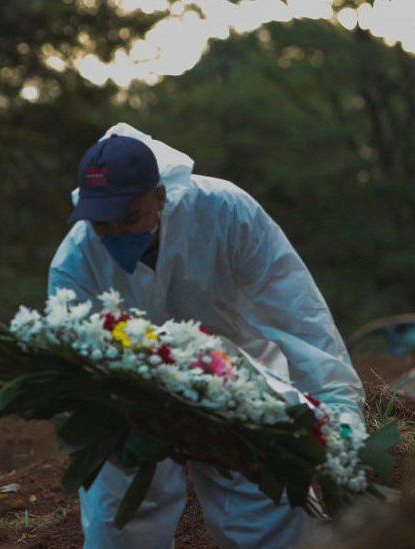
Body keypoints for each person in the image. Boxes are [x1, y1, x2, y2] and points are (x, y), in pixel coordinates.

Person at [47, 123, 365, 548]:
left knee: (270, 505)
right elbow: (73, 369)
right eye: (103, 224)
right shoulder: (76, 259)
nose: (117, 233)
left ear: (160, 196)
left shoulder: (226, 211)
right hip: (133, 400)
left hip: (239, 378)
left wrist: (337, 406)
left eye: (129, 217)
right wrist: (109, 427)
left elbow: (296, 311)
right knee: (119, 515)